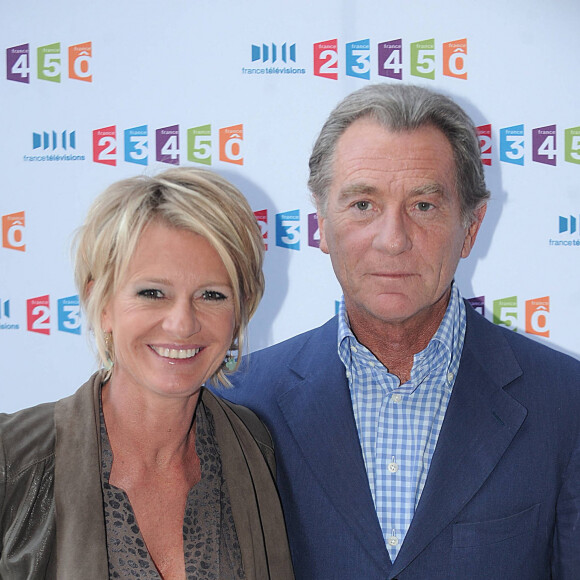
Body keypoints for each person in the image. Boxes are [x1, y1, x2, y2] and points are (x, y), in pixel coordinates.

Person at [222, 84, 580, 579]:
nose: (393, 241)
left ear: (471, 227)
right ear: (321, 223)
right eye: (363, 204)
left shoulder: (566, 402)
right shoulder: (241, 399)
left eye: (424, 206)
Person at [0, 167, 294, 579]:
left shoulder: (257, 449)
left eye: (211, 295)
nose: (181, 323)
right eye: (152, 292)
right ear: (101, 303)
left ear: (240, 312)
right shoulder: (12, 461)